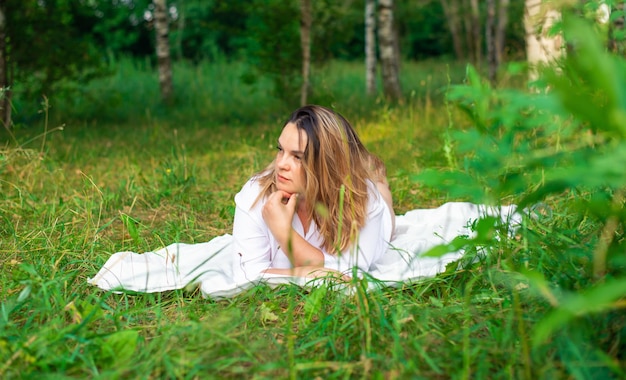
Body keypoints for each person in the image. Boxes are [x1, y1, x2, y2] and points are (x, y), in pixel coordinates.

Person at [231, 105, 395, 283]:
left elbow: (352, 271)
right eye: (280, 150)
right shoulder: (255, 194)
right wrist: (312, 272)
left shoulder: (364, 196)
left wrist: (284, 232)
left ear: (328, 163)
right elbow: (245, 274)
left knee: (380, 191)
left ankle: (378, 179)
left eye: (298, 157)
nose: (281, 164)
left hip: (378, 219)